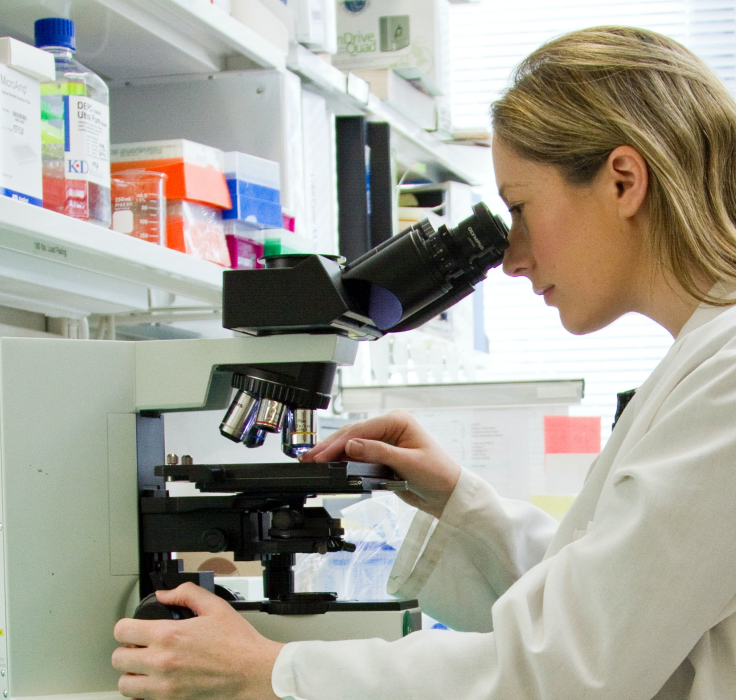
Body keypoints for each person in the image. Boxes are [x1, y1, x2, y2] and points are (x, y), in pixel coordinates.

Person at [112, 25, 736, 699]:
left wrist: (270, 672)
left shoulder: (725, 377)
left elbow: (567, 668)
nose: (511, 256)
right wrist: (459, 502)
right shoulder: (706, 360)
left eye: (520, 208)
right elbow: (623, 605)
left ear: (622, 181)